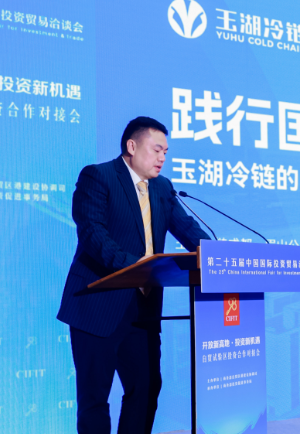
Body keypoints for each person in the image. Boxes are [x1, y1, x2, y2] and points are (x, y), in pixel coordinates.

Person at [57, 116, 210, 434]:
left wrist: (218, 256)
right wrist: (138, 267)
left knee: (146, 389)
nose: (162, 157)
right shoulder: (98, 177)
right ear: (131, 146)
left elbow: (187, 229)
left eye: (166, 152)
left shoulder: (163, 188)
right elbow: (93, 234)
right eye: (157, 149)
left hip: (143, 310)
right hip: (98, 305)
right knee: (94, 399)